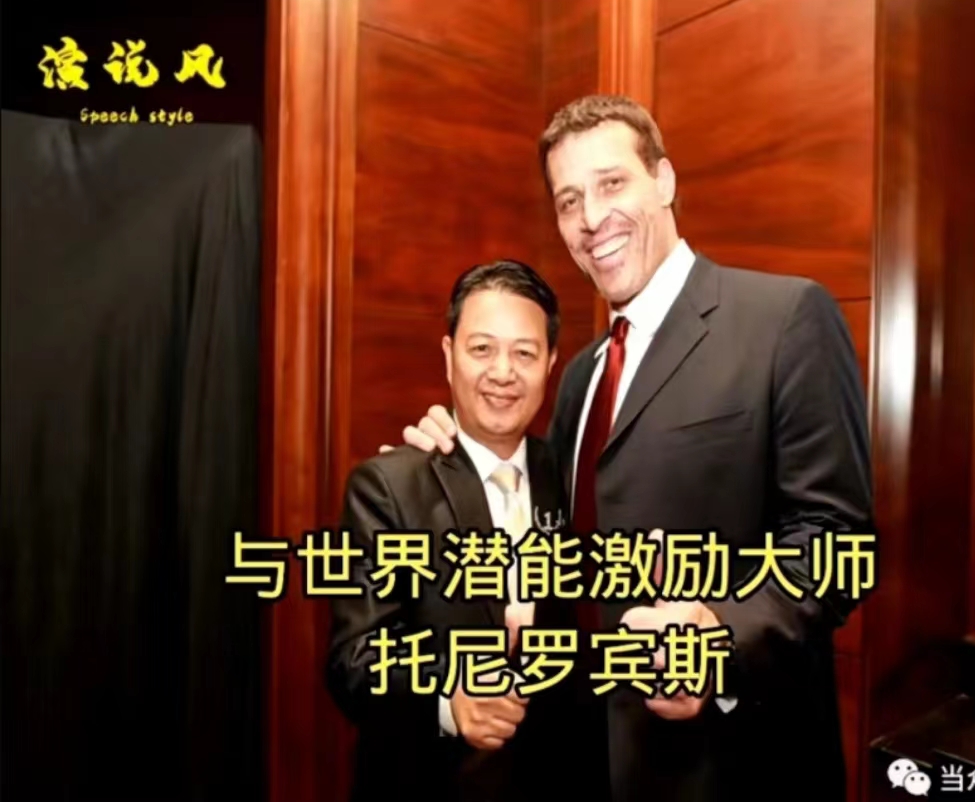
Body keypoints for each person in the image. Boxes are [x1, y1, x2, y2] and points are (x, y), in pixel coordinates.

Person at [393, 95, 875, 801]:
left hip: (733, 766)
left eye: (611, 183)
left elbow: (836, 540)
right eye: (568, 201)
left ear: (664, 180)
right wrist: (458, 449)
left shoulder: (783, 319)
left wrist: (718, 634)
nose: (591, 218)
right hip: (586, 761)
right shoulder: (581, 375)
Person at [326, 260, 583, 802]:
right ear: (448, 356)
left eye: (524, 353)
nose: (502, 372)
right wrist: (446, 698)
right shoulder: (388, 487)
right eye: (482, 349)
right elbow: (355, 662)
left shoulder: (575, 481)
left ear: (551, 363)